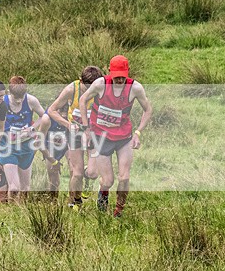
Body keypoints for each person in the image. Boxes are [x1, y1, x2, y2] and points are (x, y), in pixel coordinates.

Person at [78, 55, 153, 217]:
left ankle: (118, 211)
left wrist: (138, 133)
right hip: (101, 136)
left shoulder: (135, 88)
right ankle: (102, 196)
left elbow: (148, 109)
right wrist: (86, 128)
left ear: (128, 72)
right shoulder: (100, 84)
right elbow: (83, 100)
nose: (119, 79)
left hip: (123, 137)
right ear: (110, 71)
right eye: (116, 76)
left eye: (122, 76)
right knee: (108, 181)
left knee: (124, 178)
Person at [47, 65, 104, 209]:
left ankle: (87, 178)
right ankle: (74, 202)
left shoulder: (102, 89)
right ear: (81, 81)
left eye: (94, 87)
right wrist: (67, 125)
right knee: (76, 173)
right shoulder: (71, 89)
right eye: (88, 87)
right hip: (75, 132)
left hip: (94, 133)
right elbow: (52, 110)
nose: (92, 91)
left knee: (92, 173)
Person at [0, 76, 47, 201]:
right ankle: (11, 214)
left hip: (25, 147)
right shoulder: (2, 102)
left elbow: (44, 116)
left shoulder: (31, 101)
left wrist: (32, 129)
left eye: (21, 97)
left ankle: (21, 215)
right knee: (14, 188)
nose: (19, 101)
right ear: (9, 93)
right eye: (16, 98)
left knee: (25, 189)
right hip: (7, 147)